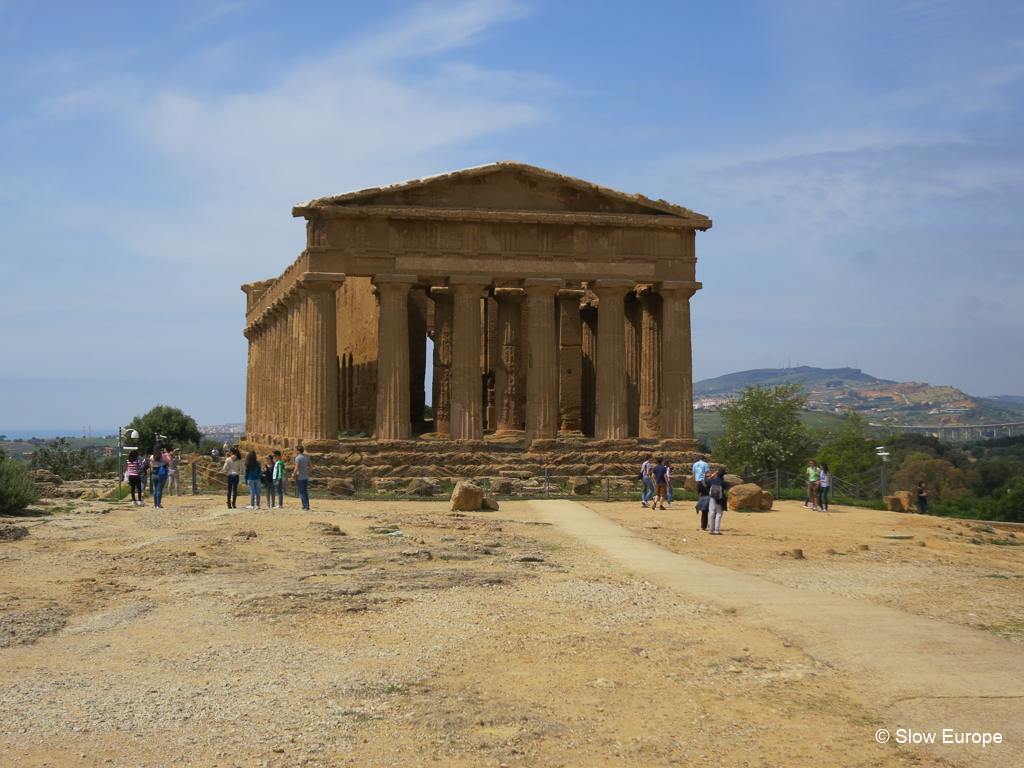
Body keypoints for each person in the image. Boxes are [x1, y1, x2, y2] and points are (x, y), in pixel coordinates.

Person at [706, 469, 728, 535]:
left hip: (712, 498)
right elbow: (725, 488)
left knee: (712, 513)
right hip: (720, 499)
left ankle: (711, 529)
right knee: (719, 514)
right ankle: (717, 530)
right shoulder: (723, 482)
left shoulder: (712, 480)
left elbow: (705, 481)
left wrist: (712, 475)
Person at [150, 443, 168, 509]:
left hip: (154, 474)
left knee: (155, 489)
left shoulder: (152, 456)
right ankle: (159, 504)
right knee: (159, 489)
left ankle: (155, 504)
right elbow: (169, 460)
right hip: (161, 474)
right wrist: (166, 453)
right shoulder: (162, 456)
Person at [293, 445, 311, 510]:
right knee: (305, 492)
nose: (295, 451)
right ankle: (307, 505)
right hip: (305, 476)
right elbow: (311, 466)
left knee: (301, 492)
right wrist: (306, 470)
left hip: (300, 476)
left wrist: (294, 475)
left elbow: (296, 467)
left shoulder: (297, 458)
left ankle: (305, 506)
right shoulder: (307, 457)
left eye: (296, 450)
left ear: (298, 451)